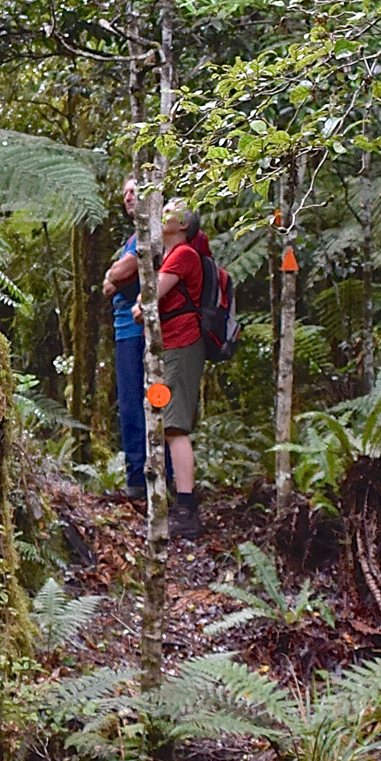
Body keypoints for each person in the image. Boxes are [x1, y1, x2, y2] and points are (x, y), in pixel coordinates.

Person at [154, 200, 208, 540]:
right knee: (165, 416)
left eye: (172, 209)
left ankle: (186, 508)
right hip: (169, 345)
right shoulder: (169, 254)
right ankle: (175, 494)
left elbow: (148, 300)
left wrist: (137, 308)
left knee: (175, 424)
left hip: (182, 343)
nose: (164, 212)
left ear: (184, 225)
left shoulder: (183, 254)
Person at [100, 178, 146, 500]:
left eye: (135, 191)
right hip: (124, 333)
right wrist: (115, 275)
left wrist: (115, 274)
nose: (128, 197)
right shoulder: (134, 239)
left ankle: (140, 482)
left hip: (138, 334)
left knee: (138, 406)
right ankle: (139, 478)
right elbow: (109, 282)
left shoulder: (149, 237)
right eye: (125, 192)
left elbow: (115, 276)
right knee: (129, 407)